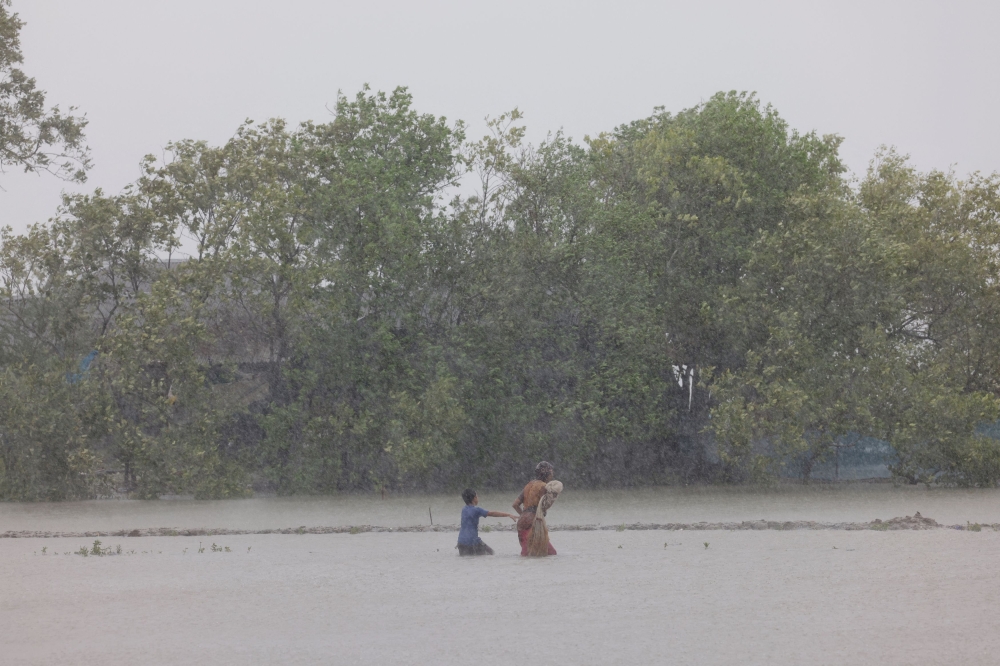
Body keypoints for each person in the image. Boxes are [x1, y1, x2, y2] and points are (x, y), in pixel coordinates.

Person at [512, 461, 558, 556]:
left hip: (521, 523)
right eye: (551, 472)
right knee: (550, 553)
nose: (552, 474)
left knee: (527, 554)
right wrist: (554, 495)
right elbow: (543, 506)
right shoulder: (543, 486)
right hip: (533, 523)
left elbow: (515, 504)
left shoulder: (528, 485)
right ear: (547, 473)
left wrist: (524, 515)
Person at [457, 488, 516, 556]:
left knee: (468, 560)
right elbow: (492, 513)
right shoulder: (477, 510)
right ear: (474, 498)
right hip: (473, 543)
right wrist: (508, 515)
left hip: (461, 543)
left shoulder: (464, 509)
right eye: (477, 496)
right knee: (491, 554)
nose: (478, 498)